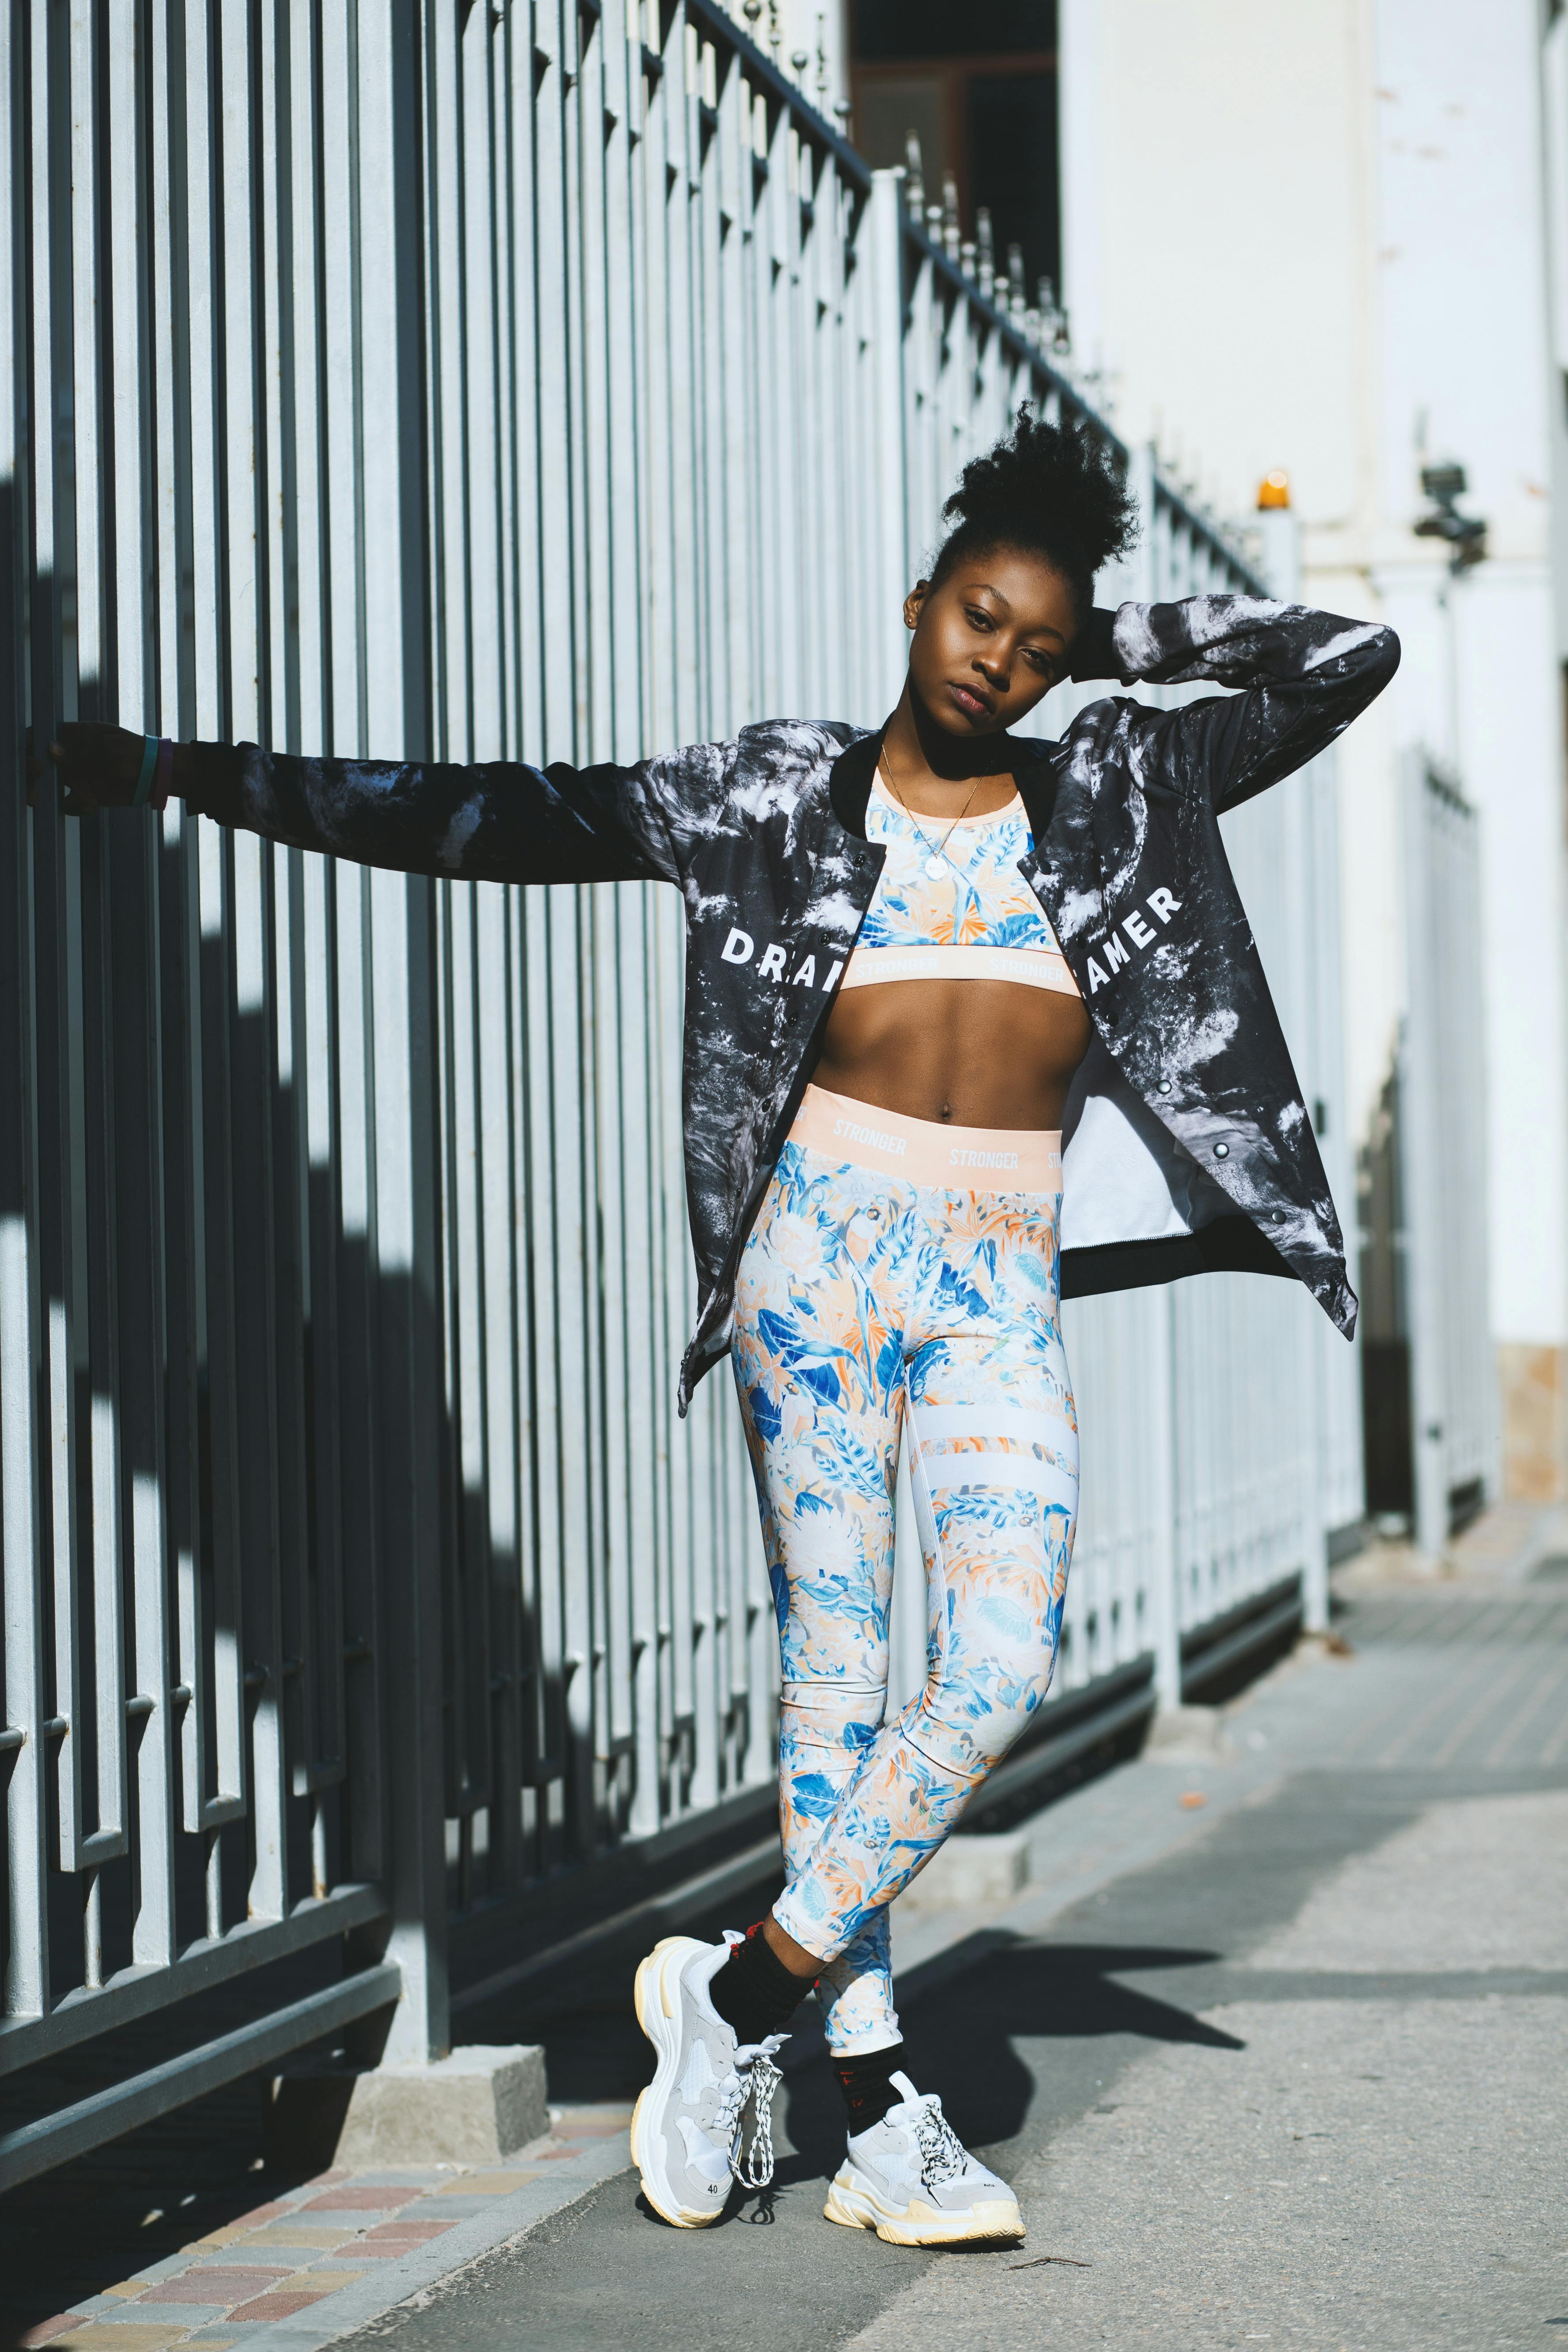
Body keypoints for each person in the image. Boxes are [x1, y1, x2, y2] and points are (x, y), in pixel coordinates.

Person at [46, 410, 1397, 2247]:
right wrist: (188, 773)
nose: (997, 662)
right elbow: (488, 813)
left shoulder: (1117, 785)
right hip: (814, 1260)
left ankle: (732, 1996)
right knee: (839, 1682)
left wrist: (1119, 637)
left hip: (992, 1264)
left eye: (1032, 640)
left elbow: (1344, 656)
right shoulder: (764, 794)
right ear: (914, 603)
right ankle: (881, 2103)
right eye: (974, 619)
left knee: (996, 1659)